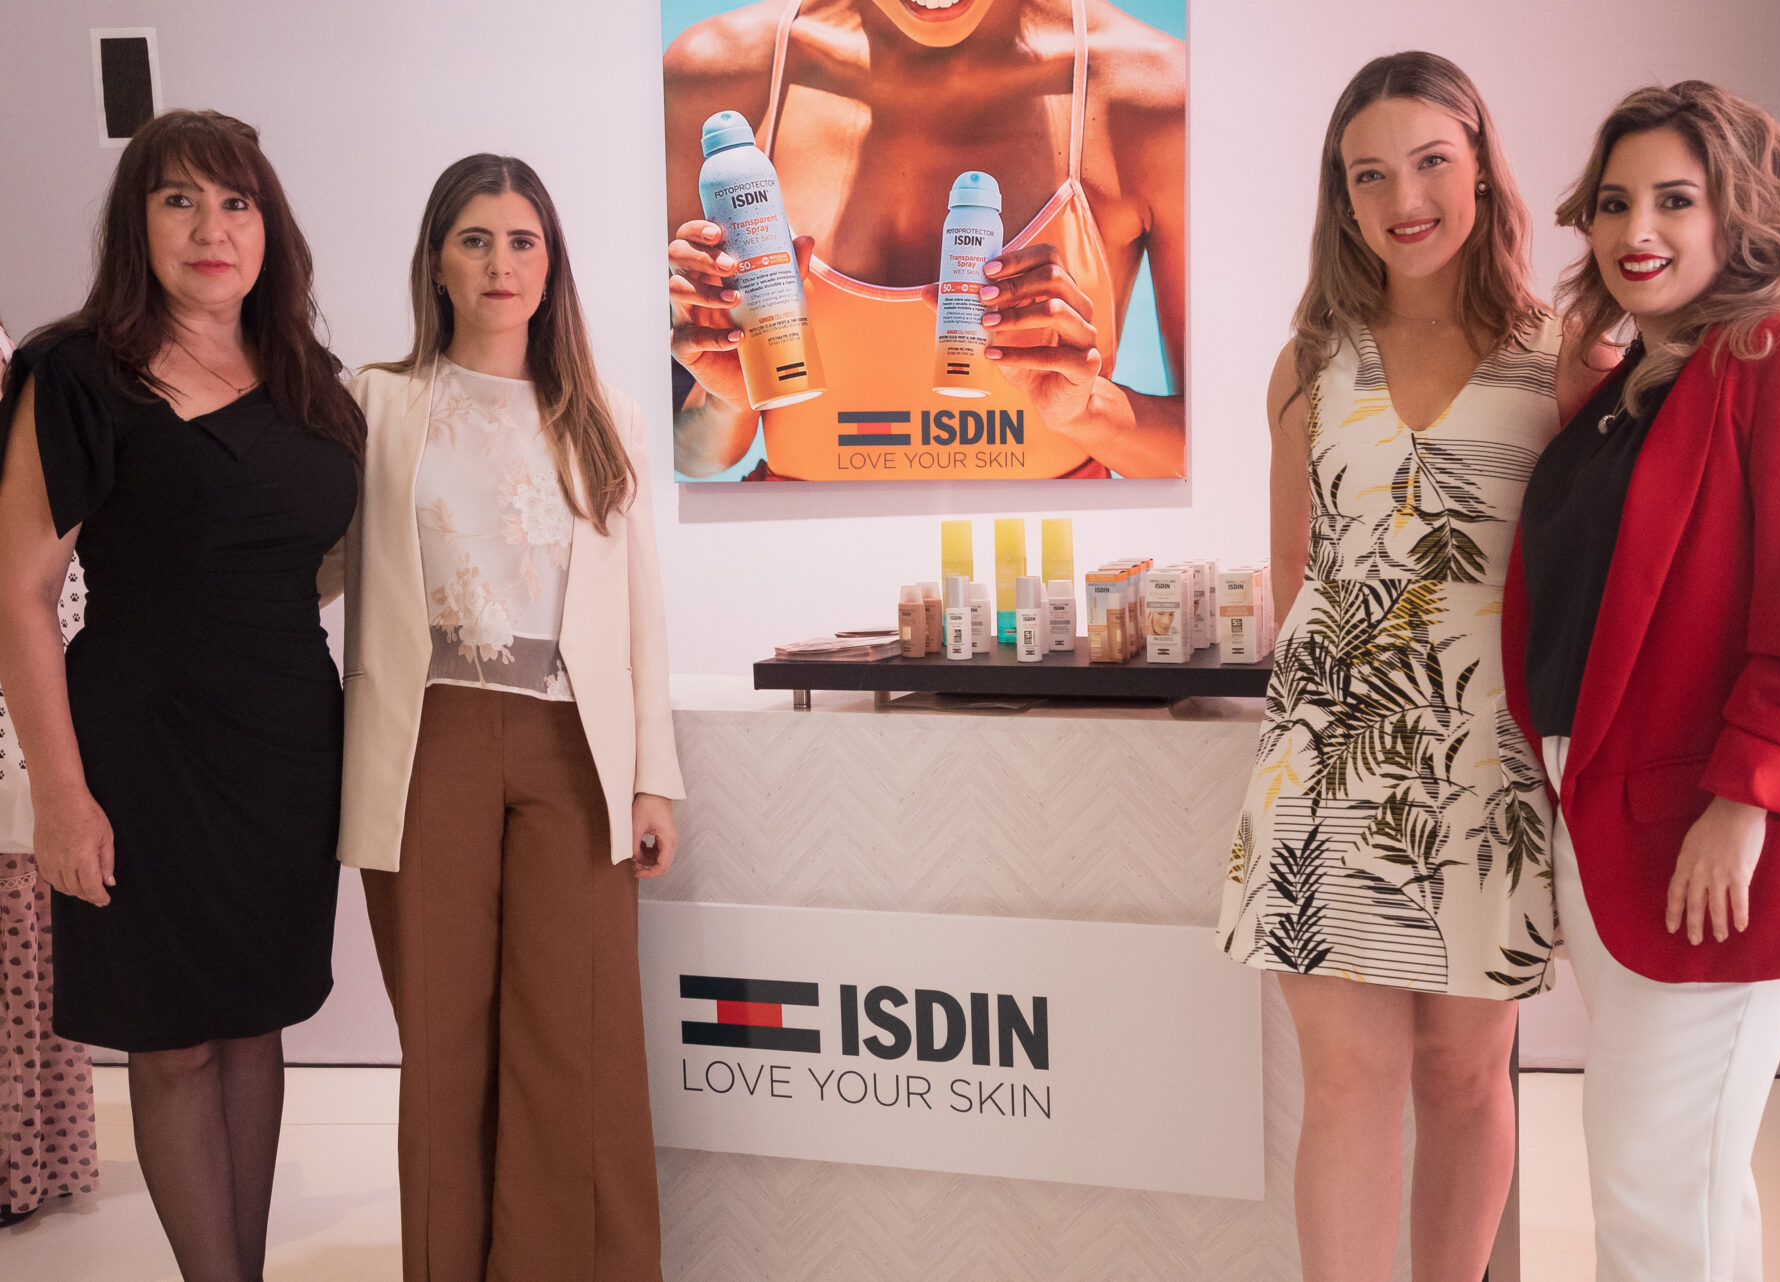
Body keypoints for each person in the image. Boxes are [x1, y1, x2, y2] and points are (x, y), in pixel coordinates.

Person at [1213, 52, 1603, 1280]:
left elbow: (1585, 574)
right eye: (1369, 174)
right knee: (1350, 1080)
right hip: (1330, 761)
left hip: (1489, 768)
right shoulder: (1309, 361)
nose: (1404, 198)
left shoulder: (1563, 354)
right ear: (1342, 195)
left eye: (1431, 160)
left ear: (1481, 167)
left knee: (1465, 1072)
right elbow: (1295, 572)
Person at [1506, 81, 1780, 1281]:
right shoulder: (1633, 392)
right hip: (1611, 816)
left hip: (1716, 831)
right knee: (1677, 1176)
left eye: (1676, 199)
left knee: (1651, 1180)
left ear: (1740, 211)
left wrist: (1743, 803)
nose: (1637, 230)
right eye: (1615, 203)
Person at [0, 110, 362, 1280]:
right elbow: (20, 595)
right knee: (172, 1043)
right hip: (139, 751)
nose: (213, 228)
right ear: (137, 225)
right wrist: (60, 797)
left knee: (256, 1024)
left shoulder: (313, 385)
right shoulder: (74, 373)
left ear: (270, 226)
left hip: (287, 747)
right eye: (179, 201)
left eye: (236, 202)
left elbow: (332, 563)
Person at [341, 154, 685, 1280]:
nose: (501, 263)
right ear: (437, 261)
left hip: (574, 750)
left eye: (522, 240)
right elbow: (310, 560)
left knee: (573, 1041)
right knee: (443, 1048)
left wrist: (654, 776)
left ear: (551, 264)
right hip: (426, 743)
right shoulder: (376, 404)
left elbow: (639, 613)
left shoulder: (605, 416)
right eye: (476, 239)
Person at [665, 0, 1187, 480]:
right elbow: (684, 456)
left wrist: (1089, 409)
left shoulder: (1146, 88)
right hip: (804, 550)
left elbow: (1214, 464)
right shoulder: (716, 75)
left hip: (1041, 552)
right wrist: (729, 402)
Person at [0, 318, 98, 1228]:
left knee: (28, 959)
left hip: (30, 744)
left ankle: (26, 1159)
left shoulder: (44, 404)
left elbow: (57, 604)